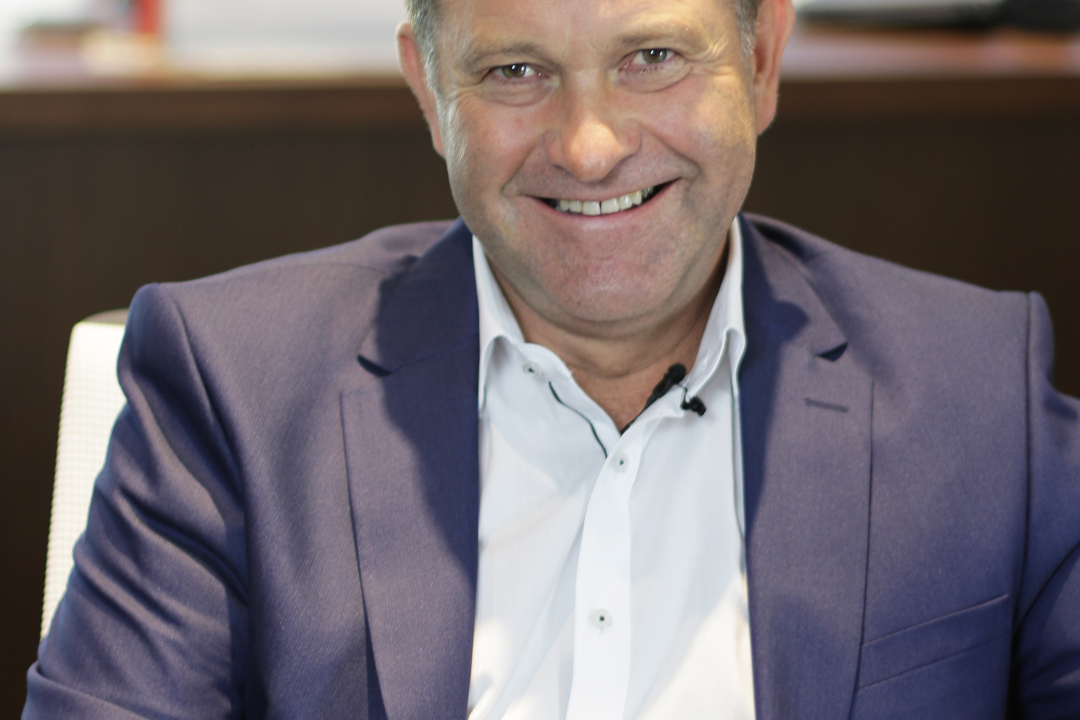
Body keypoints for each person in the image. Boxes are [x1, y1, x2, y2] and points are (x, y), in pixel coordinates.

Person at [23, 0, 1080, 712]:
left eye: (652, 58)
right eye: (515, 70)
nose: (588, 144)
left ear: (760, 63)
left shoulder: (979, 393)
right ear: (429, 90)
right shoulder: (232, 389)